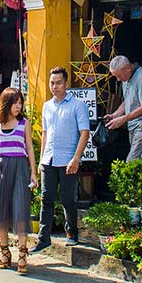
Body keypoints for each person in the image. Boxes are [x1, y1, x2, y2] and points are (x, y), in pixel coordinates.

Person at [34, 66, 90, 251]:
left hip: (68, 159)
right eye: (52, 83)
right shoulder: (47, 106)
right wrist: (41, 160)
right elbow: (45, 133)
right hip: (49, 159)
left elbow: (84, 133)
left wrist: (76, 158)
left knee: (67, 199)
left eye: (58, 83)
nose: (55, 86)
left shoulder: (77, 105)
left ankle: (71, 232)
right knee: (46, 199)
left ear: (66, 84)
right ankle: (43, 238)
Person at [0, 87, 38, 274]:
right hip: (2, 167)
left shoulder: (24, 122)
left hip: (20, 167)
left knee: (20, 208)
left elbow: (29, 147)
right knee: (1, 210)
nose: (18, 106)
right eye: (15, 102)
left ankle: (22, 253)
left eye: (20, 103)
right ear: (6, 103)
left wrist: (33, 172)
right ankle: (5, 252)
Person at [105, 55, 142, 162]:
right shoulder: (126, 78)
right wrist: (115, 115)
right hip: (133, 126)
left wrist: (122, 119)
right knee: (139, 164)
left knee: (132, 162)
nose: (118, 80)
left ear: (128, 68)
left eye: (118, 76)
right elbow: (127, 100)